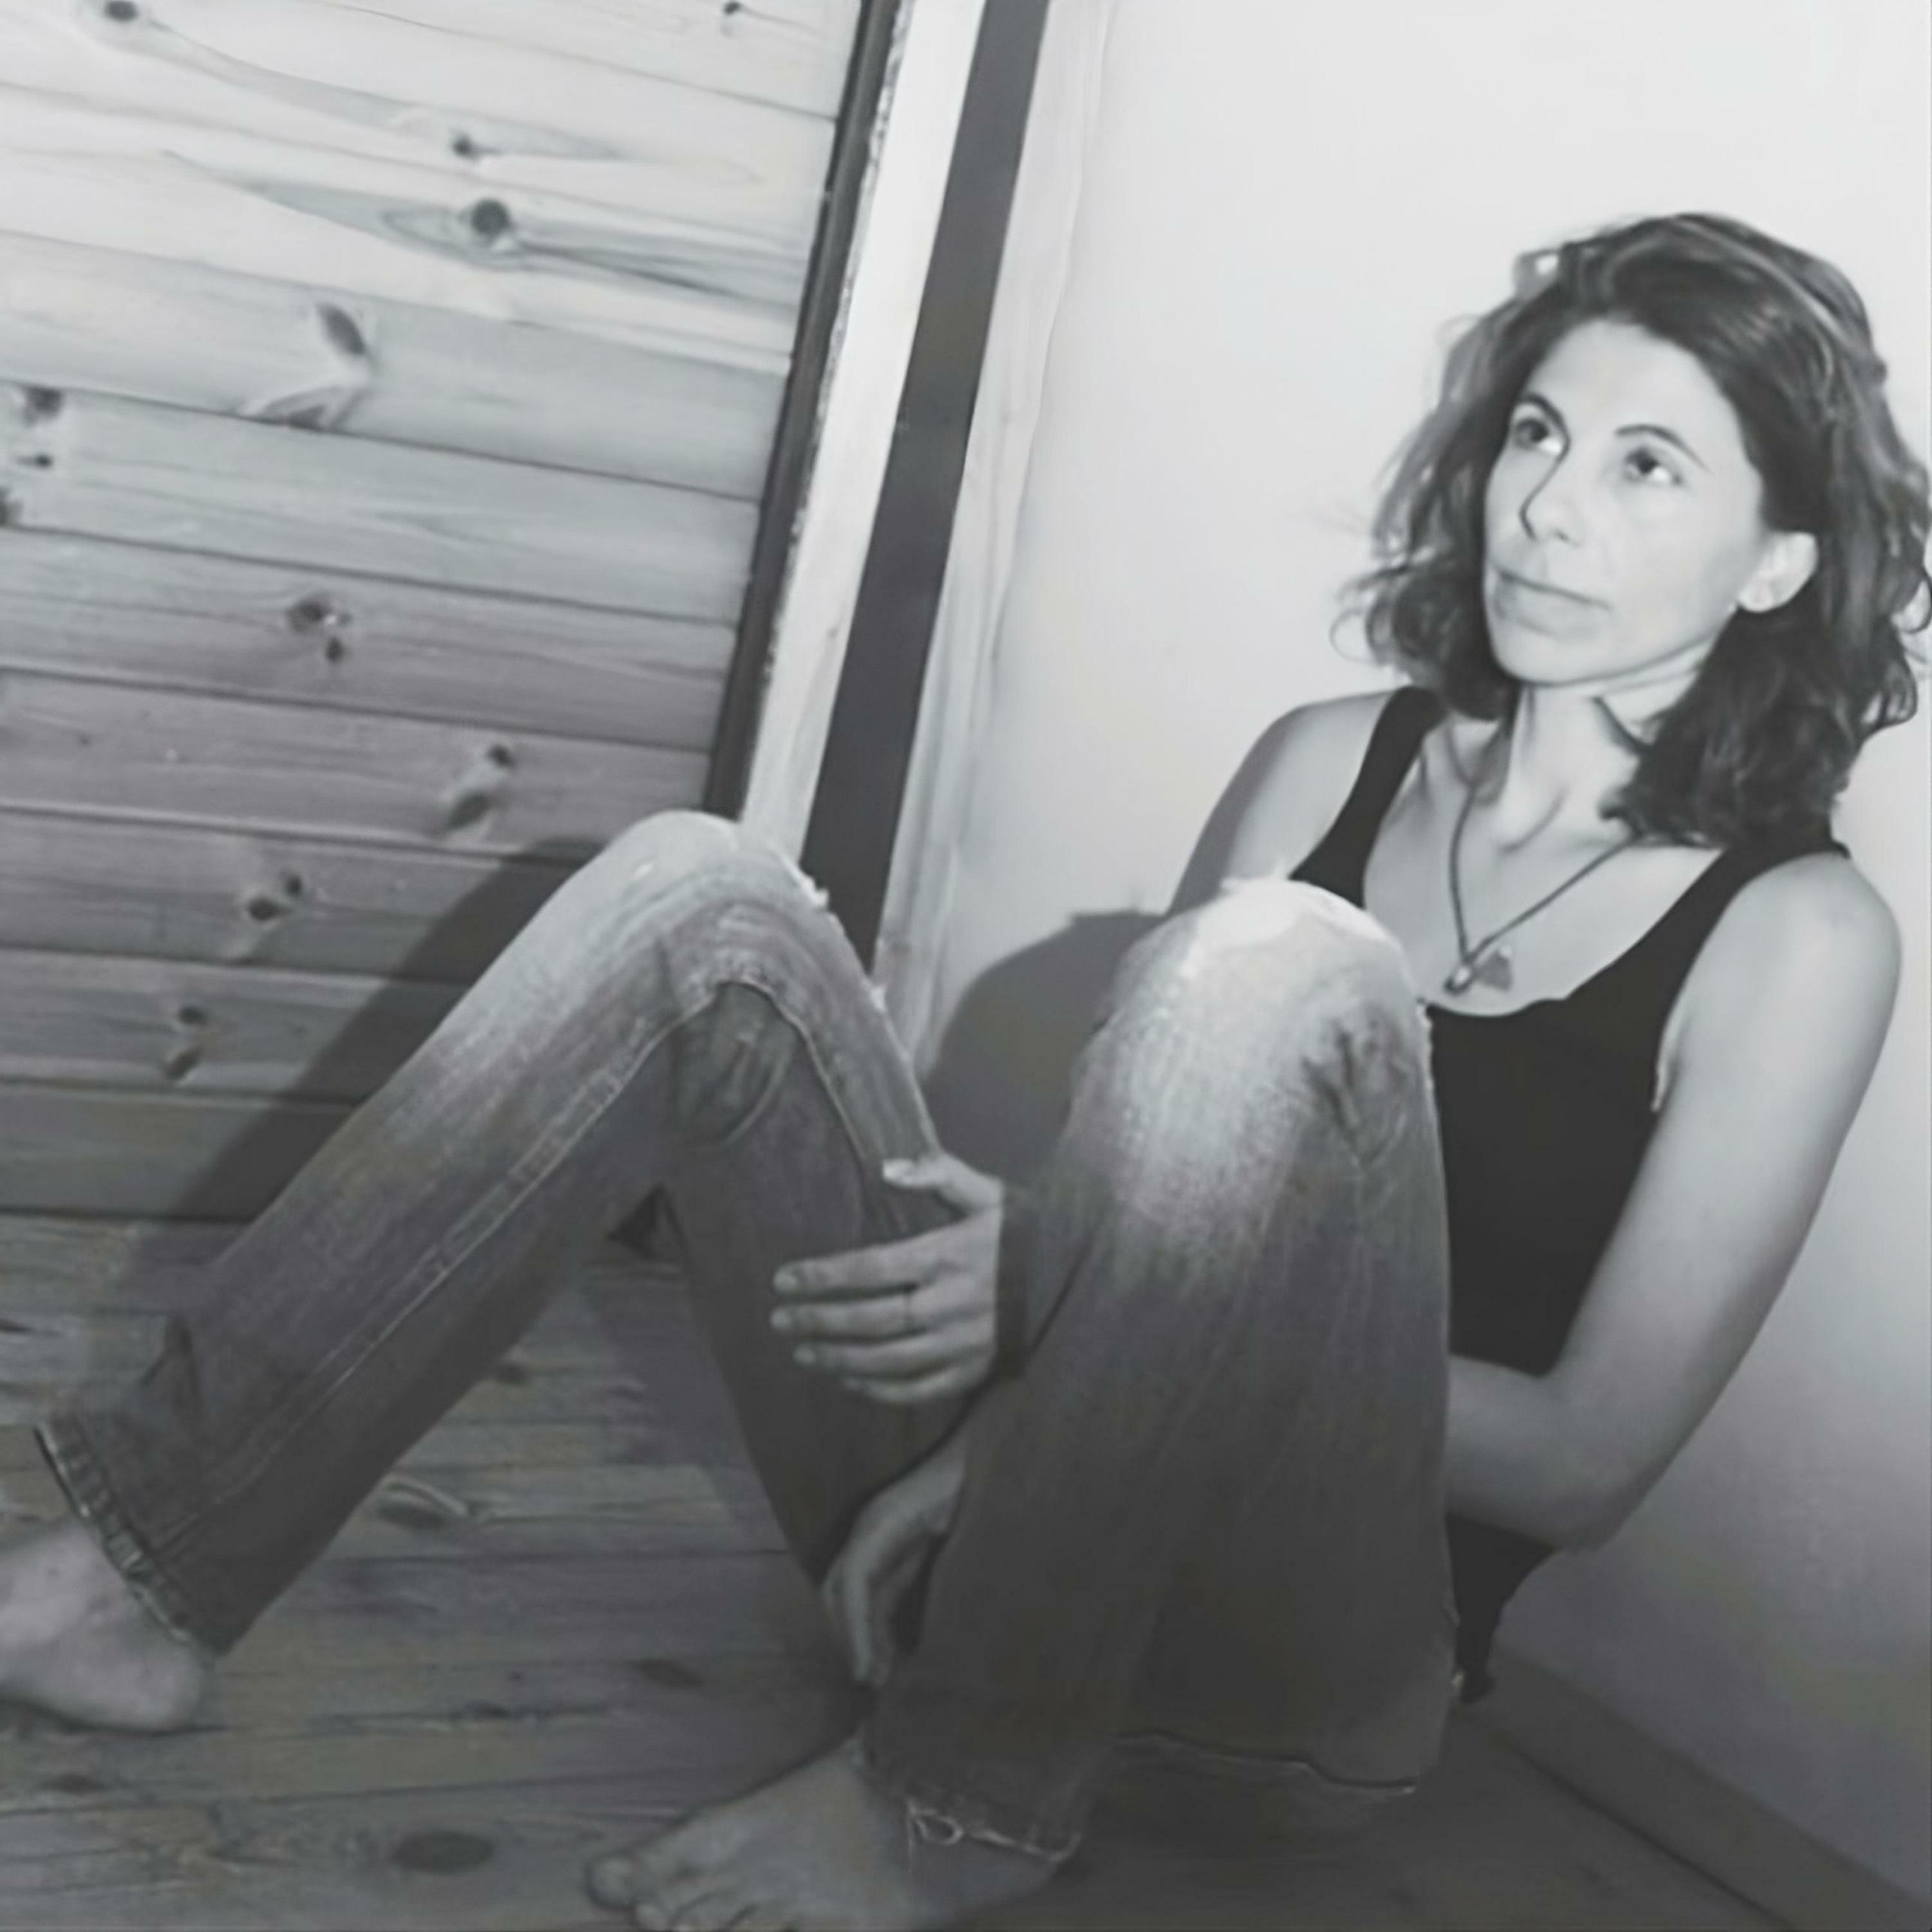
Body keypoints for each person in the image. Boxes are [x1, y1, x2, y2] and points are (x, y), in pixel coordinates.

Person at [0, 211, 1922, 1932]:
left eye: (1649, 466)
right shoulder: (1328, 758)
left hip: (1303, 1683)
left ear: (1781, 560)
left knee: (1275, 962)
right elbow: (1141, 1197)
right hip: (994, 1536)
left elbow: (1584, 1462)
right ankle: (138, 1574)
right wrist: (1022, 1389)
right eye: (1540, 434)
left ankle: (952, 1802)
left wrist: (1078, 1281)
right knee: (701, 896)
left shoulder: (1800, 937)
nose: (1549, 508)